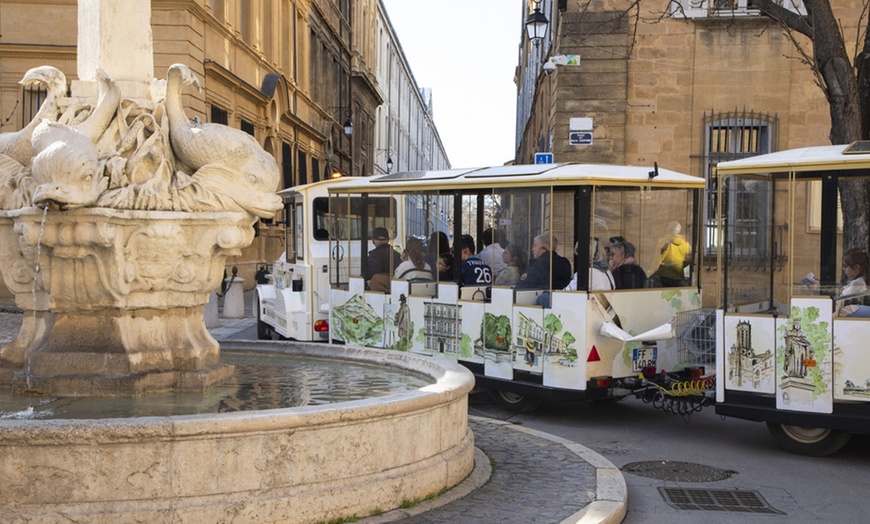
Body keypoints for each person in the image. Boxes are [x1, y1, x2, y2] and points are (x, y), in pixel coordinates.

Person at [652, 221, 691, 287]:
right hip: (678, 275)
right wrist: (680, 265)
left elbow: (657, 258)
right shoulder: (686, 244)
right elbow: (688, 259)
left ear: (668, 229)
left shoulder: (662, 241)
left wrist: (653, 270)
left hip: (664, 275)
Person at [366, 226, 401, 292]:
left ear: (373, 240)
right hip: (396, 288)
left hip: (379, 291)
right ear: (388, 240)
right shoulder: (397, 254)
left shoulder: (374, 256)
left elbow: (372, 274)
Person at [837, 248, 870, 316]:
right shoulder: (857, 281)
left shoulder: (857, 284)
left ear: (856, 267)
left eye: (846, 267)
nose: (844, 269)